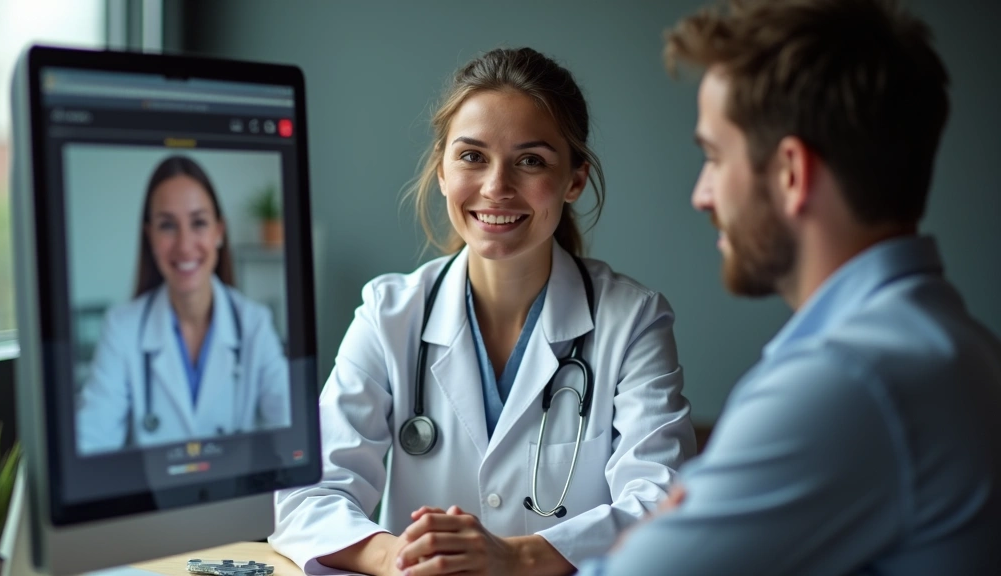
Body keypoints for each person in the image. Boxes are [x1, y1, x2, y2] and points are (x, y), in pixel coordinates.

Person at [580, 0, 1001, 574]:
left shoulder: (846, 383)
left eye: (713, 156)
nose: (702, 195)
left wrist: (644, 539)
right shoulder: (953, 347)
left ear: (790, 174)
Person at [269, 47, 696, 576]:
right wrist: (401, 556)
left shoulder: (631, 322)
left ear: (575, 180)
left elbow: (662, 501)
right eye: (472, 156)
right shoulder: (389, 314)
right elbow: (306, 493)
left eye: (531, 160)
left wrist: (514, 557)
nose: (496, 187)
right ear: (442, 171)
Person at [77, 155, 291, 455]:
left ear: (219, 231)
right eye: (167, 226)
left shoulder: (254, 324)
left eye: (199, 222)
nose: (184, 244)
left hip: (240, 501)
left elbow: (294, 435)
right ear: (149, 235)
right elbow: (91, 444)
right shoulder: (121, 328)